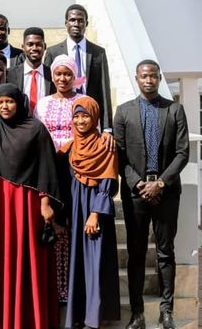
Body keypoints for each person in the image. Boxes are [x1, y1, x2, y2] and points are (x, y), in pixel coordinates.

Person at [114, 60, 189, 329]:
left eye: (154, 76)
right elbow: (119, 156)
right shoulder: (123, 112)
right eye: (144, 76)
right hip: (136, 194)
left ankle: (166, 310)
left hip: (167, 194)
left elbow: (182, 153)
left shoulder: (175, 110)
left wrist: (161, 183)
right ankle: (137, 313)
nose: (149, 80)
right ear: (137, 78)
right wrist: (139, 185)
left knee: (165, 253)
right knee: (136, 254)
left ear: (159, 78)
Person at [0, 83, 59, 329]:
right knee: (0, 258)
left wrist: (45, 203)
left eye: (10, 101)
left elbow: (46, 166)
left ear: (20, 102)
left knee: (28, 258)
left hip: (27, 203)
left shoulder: (35, 129)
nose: (4, 106)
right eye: (0, 102)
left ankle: (30, 319)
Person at [59, 96, 120, 329]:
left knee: (95, 262)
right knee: (78, 262)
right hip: (76, 207)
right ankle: (76, 316)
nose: (81, 120)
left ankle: (95, 318)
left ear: (95, 117)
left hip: (96, 209)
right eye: (77, 116)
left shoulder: (106, 144)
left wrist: (95, 213)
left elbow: (108, 181)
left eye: (86, 116)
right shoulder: (70, 147)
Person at [34, 54, 85, 304]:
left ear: (74, 76)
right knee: (55, 226)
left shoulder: (84, 101)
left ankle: (75, 289)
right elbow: (37, 135)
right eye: (58, 74)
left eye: (67, 74)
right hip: (50, 170)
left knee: (75, 225)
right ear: (52, 76)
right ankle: (56, 290)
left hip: (77, 171)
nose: (63, 78)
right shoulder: (42, 104)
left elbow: (90, 134)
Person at [44, 4, 113, 131]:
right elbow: (49, 89)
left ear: (86, 24)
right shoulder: (52, 52)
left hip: (90, 118)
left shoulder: (98, 52)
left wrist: (107, 128)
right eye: (72, 20)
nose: (76, 24)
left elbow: (104, 91)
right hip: (62, 118)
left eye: (80, 21)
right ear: (66, 23)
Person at [7, 27, 55, 114]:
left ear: (45, 47)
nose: (34, 48)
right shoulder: (10, 74)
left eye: (38, 44)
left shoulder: (52, 74)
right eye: (30, 44)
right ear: (23, 47)